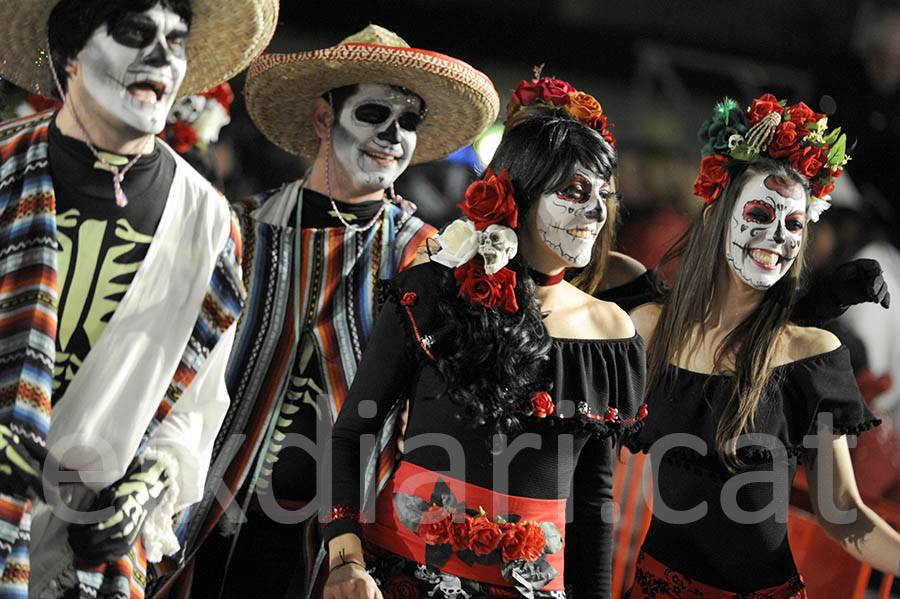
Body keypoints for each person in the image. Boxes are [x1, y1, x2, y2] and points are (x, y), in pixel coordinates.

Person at [175, 25, 499, 599]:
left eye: (409, 123)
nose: (393, 137)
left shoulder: (422, 253)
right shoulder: (242, 228)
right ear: (326, 118)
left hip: (341, 548)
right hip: (201, 525)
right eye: (373, 112)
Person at [0, 0, 276, 597]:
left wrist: (151, 485)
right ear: (69, 54)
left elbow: (194, 407)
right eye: (134, 32)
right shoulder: (4, 167)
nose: (161, 57)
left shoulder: (208, 223)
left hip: (89, 561)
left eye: (176, 41)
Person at [323, 109, 646, 599]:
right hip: (406, 580)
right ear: (520, 193)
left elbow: (594, 500)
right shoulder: (432, 292)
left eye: (605, 196)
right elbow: (350, 435)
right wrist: (345, 560)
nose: (597, 214)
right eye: (576, 193)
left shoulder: (611, 334)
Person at [626, 93, 900, 598]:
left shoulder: (811, 354)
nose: (776, 235)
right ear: (715, 216)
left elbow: (843, 514)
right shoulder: (651, 330)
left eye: (794, 223)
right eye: (760, 211)